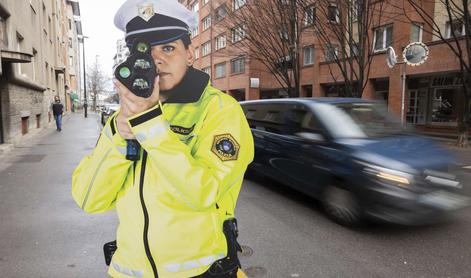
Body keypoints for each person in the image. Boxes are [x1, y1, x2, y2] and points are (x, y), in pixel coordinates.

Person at [71, 1, 254, 277]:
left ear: (190, 54)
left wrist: (150, 125)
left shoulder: (219, 110)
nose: (156, 60)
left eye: (168, 48)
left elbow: (203, 194)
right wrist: (120, 138)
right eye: (143, 50)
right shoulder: (123, 117)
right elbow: (89, 198)